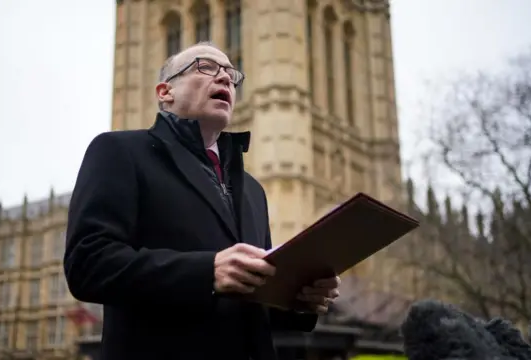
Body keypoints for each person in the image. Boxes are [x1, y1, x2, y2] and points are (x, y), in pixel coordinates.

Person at [64, 42, 341, 360]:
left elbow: (254, 307)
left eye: (230, 74)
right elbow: (88, 265)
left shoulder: (253, 191)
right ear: (165, 92)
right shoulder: (120, 151)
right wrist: (206, 272)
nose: (224, 78)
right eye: (206, 67)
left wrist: (300, 301)